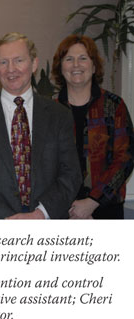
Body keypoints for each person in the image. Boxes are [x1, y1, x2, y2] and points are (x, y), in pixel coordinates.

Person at [0, 32, 81, 219]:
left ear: (34, 64)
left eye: (18, 60)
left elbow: (71, 174)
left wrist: (41, 214)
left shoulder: (59, 115)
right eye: (3, 62)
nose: (11, 69)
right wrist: (6, 219)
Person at [52, 35, 134, 219]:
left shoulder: (114, 105)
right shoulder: (50, 110)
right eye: (69, 59)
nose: (76, 65)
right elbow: (44, 165)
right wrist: (70, 207)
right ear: (60, 67)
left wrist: (92, 201)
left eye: (83, 58)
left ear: (94, 65)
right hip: (62, 210)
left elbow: (125, 157)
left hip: (106, 208)